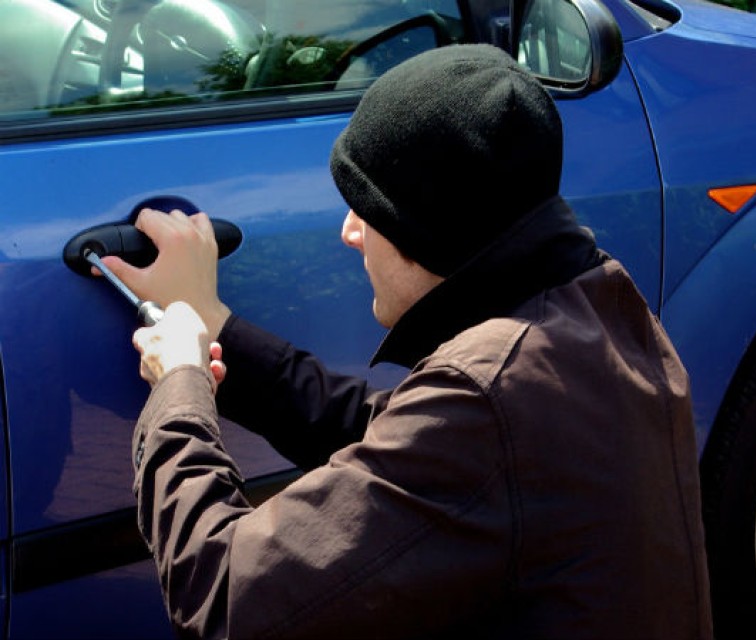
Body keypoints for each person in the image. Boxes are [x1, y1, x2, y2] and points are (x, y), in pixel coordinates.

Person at [102, 43, 713, 639]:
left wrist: (179, 388)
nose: (349, 232)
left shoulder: (488, 399)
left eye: (367, 208)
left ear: (429, 227)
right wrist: (219, 331)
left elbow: (228, 595)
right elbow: (391, 442)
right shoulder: (592, 312)